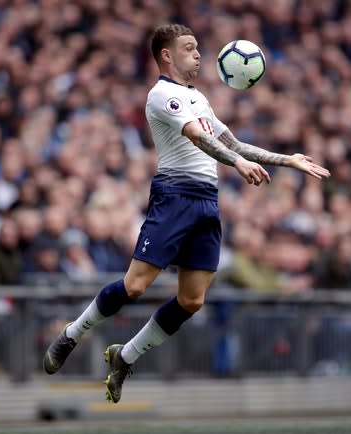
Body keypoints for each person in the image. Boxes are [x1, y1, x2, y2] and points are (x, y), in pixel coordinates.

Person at [43, 23, 330, 403]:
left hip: (207, 201)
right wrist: (237, 166)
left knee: (192, 301)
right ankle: (72, 335)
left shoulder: (199, 98)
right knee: (135, 286)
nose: (198, 54)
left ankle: (125, 356)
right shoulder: (162, 95)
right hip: (175, 196)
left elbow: (233, 142)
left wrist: (287, 160)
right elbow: (199, 137)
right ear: (167, 54)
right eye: (190, 48)